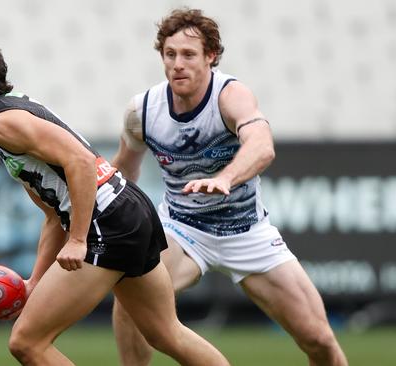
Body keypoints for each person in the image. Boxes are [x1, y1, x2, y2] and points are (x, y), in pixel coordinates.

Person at [0, 38, 230, 366]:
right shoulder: (6, 116)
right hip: (131, 209)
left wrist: (78, 239)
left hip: (108, 221)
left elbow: (80, 161)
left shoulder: (4, 123)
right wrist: (35, 280)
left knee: (27, 342)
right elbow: (52, 216)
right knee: (165, 333)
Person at [111, 8, 349, 366]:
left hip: (247, 232)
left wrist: (224, 178)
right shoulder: (143, 111)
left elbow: (262, 145)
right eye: (170, 54)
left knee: (319, 340)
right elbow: (124, 170)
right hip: (182, 229)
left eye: (189, 55)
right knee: (131, 296)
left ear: (211, 57)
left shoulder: (230, 95)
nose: (178, 64)